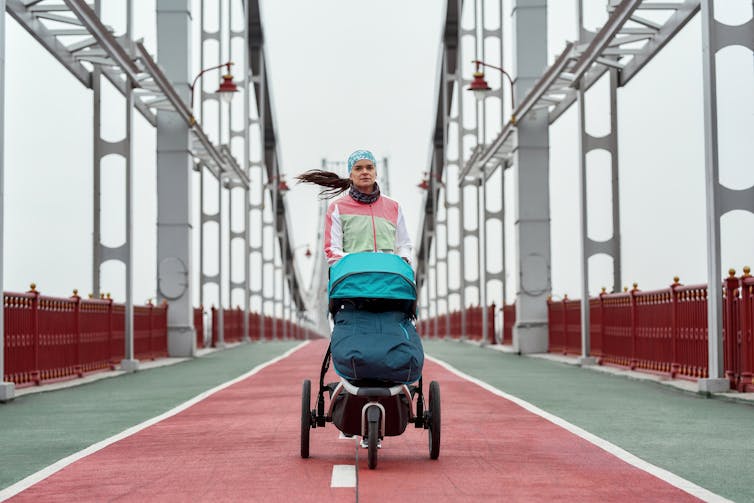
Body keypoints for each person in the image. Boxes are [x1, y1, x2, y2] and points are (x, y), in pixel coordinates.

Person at [296, 149, 412, 265]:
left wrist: (403, 261)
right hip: (354, 279)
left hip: (387, 279)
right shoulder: (337, 208)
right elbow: (332, 252)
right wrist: (364, 262)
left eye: (369, 167)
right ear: (351, 175)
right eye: (358, 168)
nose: (365, 172)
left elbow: (404, 245)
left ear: (375, 173)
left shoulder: (394, 207)